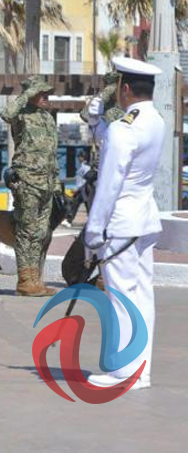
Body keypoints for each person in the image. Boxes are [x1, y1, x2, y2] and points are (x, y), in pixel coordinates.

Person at [84, 58, 165, 391]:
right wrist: (96, 124)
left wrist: (93, 228)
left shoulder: (125, 127)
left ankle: (125, 372)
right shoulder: (154, 120)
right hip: (144, 219)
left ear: (126, 89)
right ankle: (140, 370)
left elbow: (111, 180)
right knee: (142, 296)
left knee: (121, 298)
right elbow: (121, 151)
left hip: (120, 225)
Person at [1, 76, 58, 297]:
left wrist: (57, 182)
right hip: (28, 181)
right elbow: (6, 114)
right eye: (41, 93)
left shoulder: (47, 118)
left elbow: (52, 152)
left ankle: (35, 278)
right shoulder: (21, 115)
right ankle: (25, 279)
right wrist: (26, 94)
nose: (46, 96)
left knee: (41, 232)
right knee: (26, 231)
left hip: (47, 183)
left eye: (46, 93)